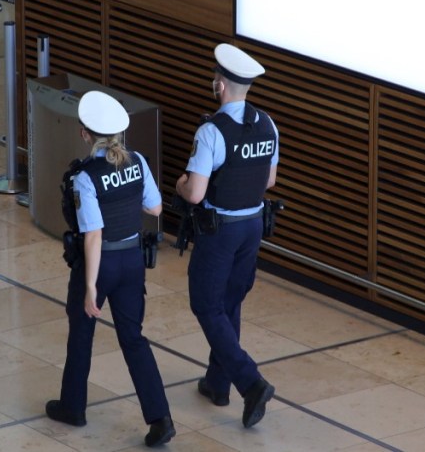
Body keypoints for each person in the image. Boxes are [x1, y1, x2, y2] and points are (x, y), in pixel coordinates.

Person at [45, 91, 175, 447]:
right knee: (134, 339)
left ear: (86, 135)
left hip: (101, 264)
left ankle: (73, 407)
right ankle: (160, 418)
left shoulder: (85, 177)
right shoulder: (138, 162)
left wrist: (89, 286)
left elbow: (93, 234)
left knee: (82, 332)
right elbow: (156, 208)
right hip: (133, 261)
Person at [174, 43, 279, 429]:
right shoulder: (268, 123)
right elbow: (269, 179)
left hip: (220, 231)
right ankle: (218, 384)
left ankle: (250, 382)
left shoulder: (211, 132)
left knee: (206, 305)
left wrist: (181, 184)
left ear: (220, 85)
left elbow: (197, 193)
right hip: (252, 227)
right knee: (229, 303)